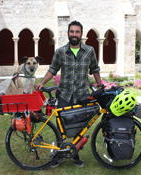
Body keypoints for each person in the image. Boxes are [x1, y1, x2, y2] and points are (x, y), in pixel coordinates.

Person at [35, 20, 102, 168]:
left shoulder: (89, 51)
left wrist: (100, 85)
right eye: (72, 31)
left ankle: (74, 154)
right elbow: (52, 70)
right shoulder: (60, 52)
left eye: (77, 32)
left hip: (82, 96)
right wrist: (42, 83)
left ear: (81, 34)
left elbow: (95, 69)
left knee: (80, 127)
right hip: (65, 95)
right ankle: (59, 155)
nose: (74, 34)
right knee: (62, 128)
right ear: (68, 33)